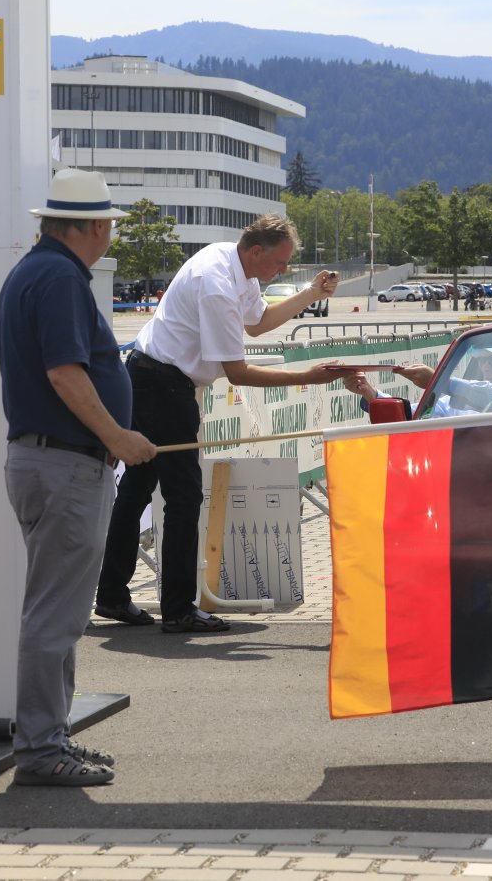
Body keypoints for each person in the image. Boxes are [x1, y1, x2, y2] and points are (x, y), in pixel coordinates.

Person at [96, 213, 343, 633]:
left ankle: (113, 594)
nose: (283, 269)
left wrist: (310, 294)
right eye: (279, 262)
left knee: (138, 487)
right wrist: (307, 376)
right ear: (257, 251)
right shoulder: (217, 284)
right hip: (163, 384)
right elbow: (238, 372)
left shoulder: (233, 263)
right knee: (183, 495)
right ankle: (177, 609)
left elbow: (258, 323)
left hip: (154, 375)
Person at [0, 167, 156, 787]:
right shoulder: (60, 277)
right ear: (94, 227)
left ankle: (50, 736)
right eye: (109, 224)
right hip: (66, 464)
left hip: (50, 461)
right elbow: (66, 373)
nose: (111, 233)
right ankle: (41, 748)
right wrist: (116, 436)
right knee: (55, 616)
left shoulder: (37, 271)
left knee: (57, 611)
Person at [344, 347, 492, 418]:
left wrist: (441, 382)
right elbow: (412, 414)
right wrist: (370, 393)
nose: (486, 368)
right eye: (481, 362)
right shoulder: (459, 401)